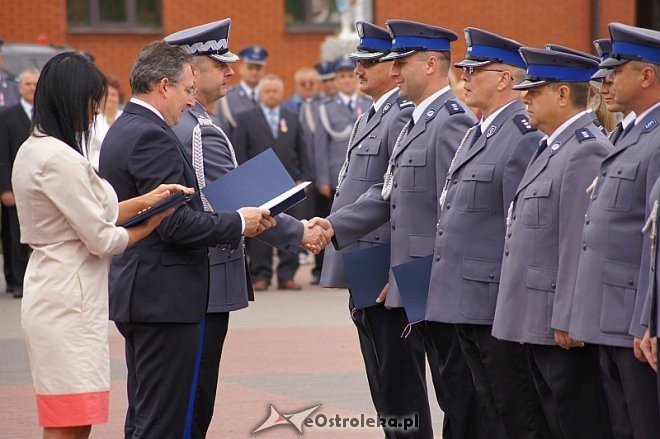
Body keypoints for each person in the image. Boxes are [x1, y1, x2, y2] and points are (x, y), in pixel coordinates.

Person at [310, 19, 483, 439]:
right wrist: (330, 226)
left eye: (400, 61)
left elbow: (451, 214)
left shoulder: (449, 120)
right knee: (397, 389)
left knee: (451, 395)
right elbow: (389, 196)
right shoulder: (417, 120)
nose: (393, 69)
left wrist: (400, 272)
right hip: (401, 276)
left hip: (423, 281)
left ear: (428, 64)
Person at [99, 41, 275, 438]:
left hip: (145, 293)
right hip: (166, 298)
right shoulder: (151, 136)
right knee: (168, 421)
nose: (190, 101)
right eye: (188, 90)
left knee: (147, 415)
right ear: (164, 85)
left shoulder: (125, 128)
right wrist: (237, 223)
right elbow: (175, 225)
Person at [164, 20, 326, 436]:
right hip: (202, 279)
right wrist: (300, 233)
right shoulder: (199, 130)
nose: (231, 73)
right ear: (192, 73)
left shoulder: (178, 122)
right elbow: (235, 202)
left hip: (179, 276)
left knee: (173, 397)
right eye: (221, 65)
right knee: (191, 401)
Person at [11, 51, 185, 439]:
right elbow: (102, 236)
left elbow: (97, 210)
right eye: (92, 102)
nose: (95, 112)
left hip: (60, 291)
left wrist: (148, 200)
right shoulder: (57, 158)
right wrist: (153, 222)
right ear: (71, 100)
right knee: (68, 421)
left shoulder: (38, 149)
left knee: (73, 414)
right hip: (66, 300)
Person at [425, 28, 549, 439]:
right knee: (484, 406)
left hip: (495, 301)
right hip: (467, 298)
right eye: (463, 69)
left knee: (512, 410)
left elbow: (522, 227)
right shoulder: (477, 132)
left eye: (476, 70)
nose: (464, 77)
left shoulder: (521, 135)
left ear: (504, 79)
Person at [316, 21, 434, 438]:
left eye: (371, 61)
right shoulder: (376, 113)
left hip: (384, 270)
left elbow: (398, 201)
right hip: (363, 264)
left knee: (399, 383)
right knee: (383, 384)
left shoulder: (401, 114)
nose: (359, 69)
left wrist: (394, 272)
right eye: (358, 61)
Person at [491, 46, 613, 439]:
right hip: (535, 316)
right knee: (546, 418)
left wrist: (567, 316)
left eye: (535, 90)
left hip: (556, 323)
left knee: (572, 420)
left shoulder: (585, 149)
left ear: (563, 95)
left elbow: (578, 241)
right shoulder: (551, 147)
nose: (524, 97)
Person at [569, 22, 660, 439]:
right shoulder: (630, 134)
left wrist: (649, 321)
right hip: (611, 315)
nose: (604, 80)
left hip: (634, 321)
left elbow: (652, 241)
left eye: (616, 71)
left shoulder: (655, 139)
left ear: (647, 76)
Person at [233, 74, 312, 290]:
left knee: (292, 228)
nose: (271, 95)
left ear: (281, 93)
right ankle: (261, 275)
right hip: (258, 185)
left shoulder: (292, 117)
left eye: (275, 91)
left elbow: (302, 150)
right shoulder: (246, 118)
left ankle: (287, 275)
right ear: (260, 94)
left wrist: (304, 177)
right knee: (261, 230)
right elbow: (239, 152)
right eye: (267, 91)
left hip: (290, 184)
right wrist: (243, 182)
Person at [312, 54, 371, 284]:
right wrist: (323, 178)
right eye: (342, 77)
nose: (347, 80)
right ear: (335, 81)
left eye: (349, 76)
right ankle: (328, 268)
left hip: (361, 176)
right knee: (331, 222)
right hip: (336, 174)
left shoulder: (367, 105)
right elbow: (320, 147)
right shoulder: (325, 108)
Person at [0, 68, 38, 298]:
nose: (32, 88)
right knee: (13, 234)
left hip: (37, 184)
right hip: (14, 186)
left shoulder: (43, 114)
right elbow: (2, 153)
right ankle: (15, 280)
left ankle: (28, 279)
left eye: (35, 84)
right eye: (28, 84)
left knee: (30, 234)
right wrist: (5, 188)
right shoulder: (7, 116)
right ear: (19, 87)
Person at [214, 45, 268, 136]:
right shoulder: (227, 98)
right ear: (241, 68)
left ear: (264, 70)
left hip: (268, 150)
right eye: (250, 68)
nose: (254, 72)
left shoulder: (271, 95)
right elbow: (223, 131)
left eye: (258, 68)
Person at [87, 75, 123, 170]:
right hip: (95, 170)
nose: (110, 98)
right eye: (107, 95)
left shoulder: (126, 118)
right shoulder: (92, 120)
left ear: (119, 98)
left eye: (113, 95)